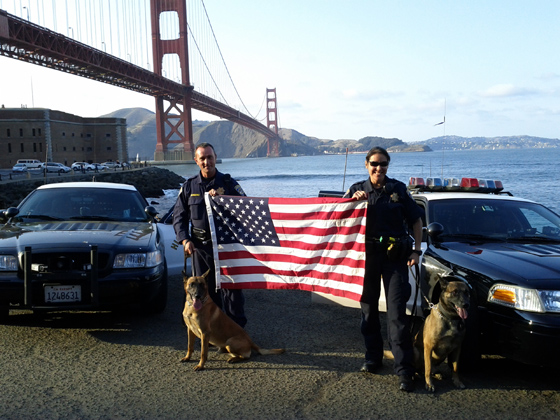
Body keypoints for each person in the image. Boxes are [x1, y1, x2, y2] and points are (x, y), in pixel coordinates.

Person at [344, 146, 423, 392]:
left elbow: (416, 220)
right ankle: (373, 358)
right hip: (365, 258)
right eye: (375, 164)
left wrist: (416, 250)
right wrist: (350, 204)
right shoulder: (356, 190)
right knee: (368, 310)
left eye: (384, 164)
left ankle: (404, 370)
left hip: (395, 257)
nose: (379, 168)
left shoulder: (398, 189)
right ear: (366, 165)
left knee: (397, 314)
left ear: (388, 166)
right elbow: (338, 220)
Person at [173, 142, 247, 327]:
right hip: (200, 249)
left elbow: (246, 209)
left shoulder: (229, 184)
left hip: (226, 246)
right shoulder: (189, 187)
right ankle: (211, 333)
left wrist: (224, 201)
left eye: (210, 157)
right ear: (196, 161)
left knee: (232, 291)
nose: (207, 162)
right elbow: (178, 217)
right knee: (204, 293)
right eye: (203, 158)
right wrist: (184, 240)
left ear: (215, 158)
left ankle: (235, 331)